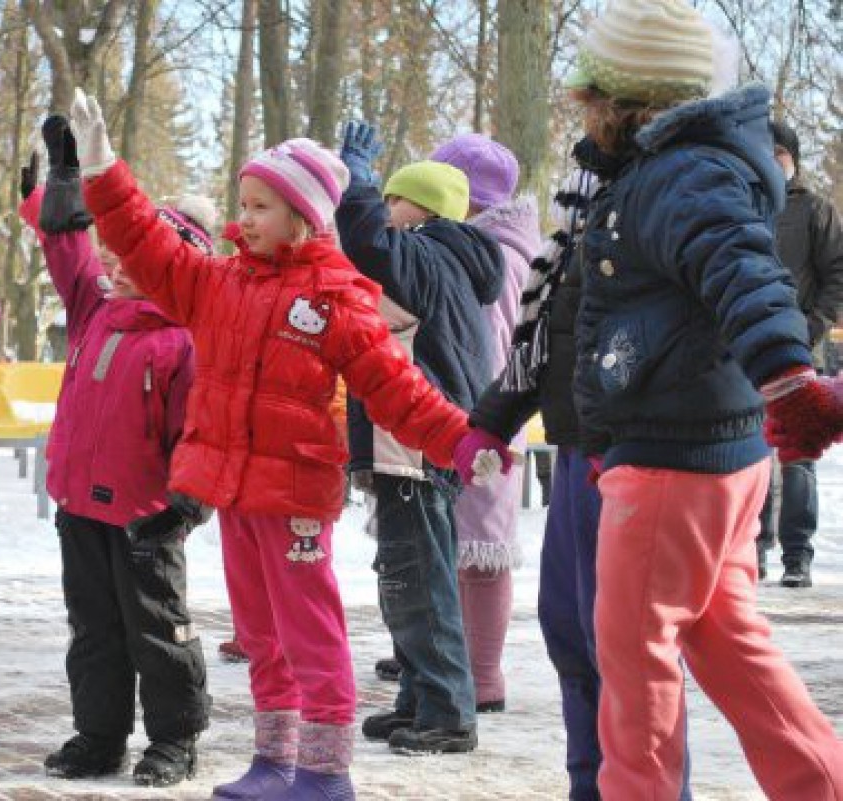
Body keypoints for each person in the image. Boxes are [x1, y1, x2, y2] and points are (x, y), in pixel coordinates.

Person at [464, 1, 843, 796]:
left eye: (591, 100)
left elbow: (745, 271)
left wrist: (789, 379)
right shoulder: (672, 170)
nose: (584, 116)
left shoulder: (680, 174)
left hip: (674, 457)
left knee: (633, 663)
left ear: (625, 101)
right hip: (709, 449)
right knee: (729, 643)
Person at [68, 89, 472, 801]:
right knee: (259, 633)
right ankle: (275, 760)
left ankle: (325, 770)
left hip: (295, 498)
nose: (246, 218)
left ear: (303, 215)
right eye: (243, 204)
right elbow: (146, 241)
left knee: (310, 632)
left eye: (261, 206)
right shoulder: (218, 283)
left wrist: (462, 441)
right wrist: (102, 169)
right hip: (233, 492)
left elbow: (394, 385)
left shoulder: (336, 297)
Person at [16, 115, 212, 787]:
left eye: (135, 258)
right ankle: (99, 736)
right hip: (80, 507)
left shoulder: (183, 339)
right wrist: (61, 186)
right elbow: (67, 248)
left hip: (145, 515)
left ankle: (175, 739)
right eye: (116, 255)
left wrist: (186, 504)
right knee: (93, 628)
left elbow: (200, 431)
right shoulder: (94, 309)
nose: (116, 266)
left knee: (155, 628)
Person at [333, 120, 504, 756]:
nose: (385, 210)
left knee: (419, 579)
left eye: (393, 199)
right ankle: (421, 697)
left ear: (423, 209)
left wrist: (357, 184)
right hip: (421, 440)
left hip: (413, 442)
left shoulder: (427, 253)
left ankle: (448, 713)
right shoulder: (447, 260)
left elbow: (368, 245)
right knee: (409, 572)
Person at [432, 133, 540, 714]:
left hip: (484, 418)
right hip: (470, 415)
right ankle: (450, 658)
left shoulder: (492, 257)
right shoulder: (491, 248)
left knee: (480, 550)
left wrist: (482, 415)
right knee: (456, 544)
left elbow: (494, 346)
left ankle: (482, 673)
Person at [755, 120, 843, 588]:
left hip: (799, 350)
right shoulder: (743, 203)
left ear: (792, 157)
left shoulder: (815, 210)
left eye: (779, 153)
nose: (771, 160)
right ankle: (753, 549)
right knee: (750, 453)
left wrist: (812, 327)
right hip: (747, 350)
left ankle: (797, 554)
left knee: (798, 454)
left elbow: (837, 275)